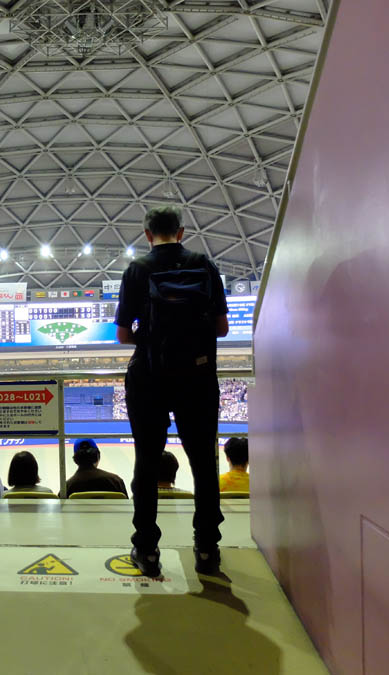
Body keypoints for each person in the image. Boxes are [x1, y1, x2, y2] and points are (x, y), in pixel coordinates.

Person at [115, 206, 229, 577]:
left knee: (147, 463)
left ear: (147, 235)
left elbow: (122, 334)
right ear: (181, 232)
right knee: (202, 463)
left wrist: (150, 339)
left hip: (149, 377)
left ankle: (147, 549)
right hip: (196, 378)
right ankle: (207, 549)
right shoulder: (204, 265)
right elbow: (222, 328)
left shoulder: (137, 269)